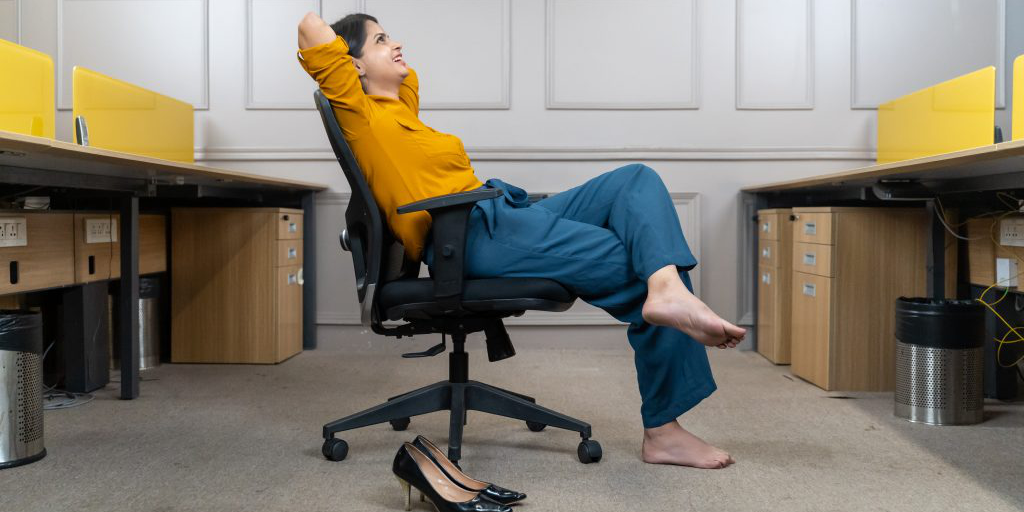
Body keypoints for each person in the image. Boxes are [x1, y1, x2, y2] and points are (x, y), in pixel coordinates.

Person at [297, 12, 744, 469]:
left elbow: (403, 76)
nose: (395, 44)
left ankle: (665, 287)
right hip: (469, 238)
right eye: (379, 39)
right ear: (350, 65)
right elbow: (312, 29)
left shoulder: (400, 108)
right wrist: (345, 60)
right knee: (636, 265)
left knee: (635, 182)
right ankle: (664, 431)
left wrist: (382, 55)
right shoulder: (358, 114)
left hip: (501, 215)